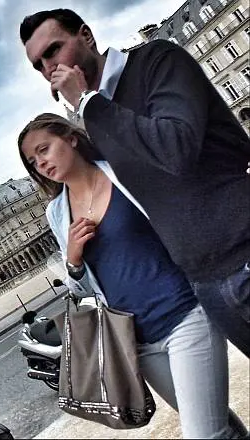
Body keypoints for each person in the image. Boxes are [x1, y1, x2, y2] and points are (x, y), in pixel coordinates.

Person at [19, 8, 250, 357]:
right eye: (38, 64)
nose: (49, 67)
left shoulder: (157, 61)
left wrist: (87, 102)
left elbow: (176, 150)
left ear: (86, 36)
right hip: (206, 281)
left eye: (53, 50)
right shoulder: (99, 115)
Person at [17, 113, 247, 439]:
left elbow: (177, 222)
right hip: (137, 342)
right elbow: (82, 289)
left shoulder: (123, 172)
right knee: (217, 423)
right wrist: (73, 261)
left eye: (44, 149)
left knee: (203, 433)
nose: (40, 163)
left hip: (186, 314)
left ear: (71, 138)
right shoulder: (56, 213)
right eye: (32, 161)